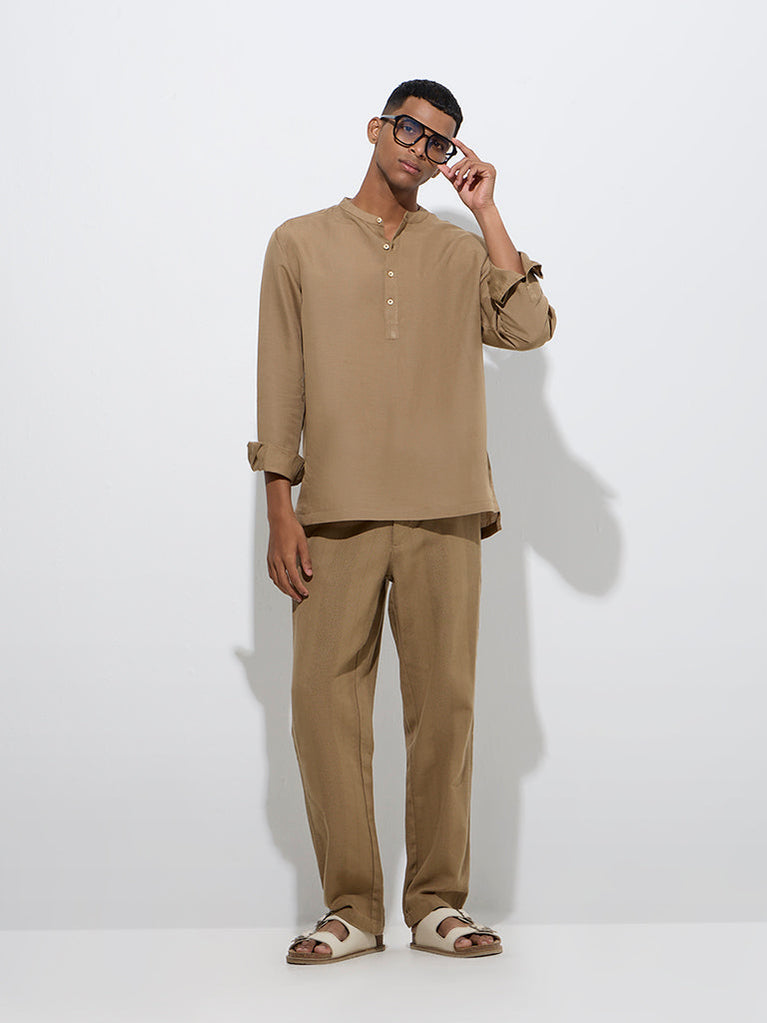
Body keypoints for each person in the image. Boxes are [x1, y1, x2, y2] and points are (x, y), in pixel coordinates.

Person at [247, 79, 557, 964]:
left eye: (440, 143)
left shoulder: (458, 252)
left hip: (444, 507)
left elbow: (530, 326)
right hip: (335, 511)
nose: (421, 150)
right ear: (376, 128)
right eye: (410, 131)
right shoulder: (298, 242)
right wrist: (279, 506)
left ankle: (434, 904)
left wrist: (486, 211)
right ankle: (350, 906)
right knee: (322, 710)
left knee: (444, 710)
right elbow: (280, 376)